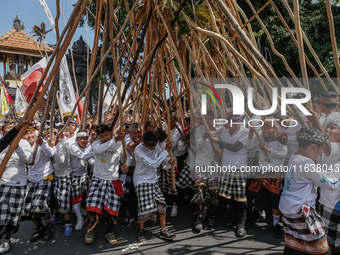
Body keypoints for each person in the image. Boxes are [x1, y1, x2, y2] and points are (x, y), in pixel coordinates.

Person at [279, 127, 340, 255]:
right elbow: (330, 184)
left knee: (294, 246)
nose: (321, 153)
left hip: (288, 208)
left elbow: (317, 174)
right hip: (301, 212)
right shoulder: (306, 163)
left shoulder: (295, 156)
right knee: (322, 249)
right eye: (321, 149)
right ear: (312, 147)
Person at [85, 124, 127, 245]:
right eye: (101, 136)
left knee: (112, 209)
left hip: (113, 180)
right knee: (93, 206)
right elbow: (98, 150)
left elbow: (126, 157)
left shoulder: (119, 144)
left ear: (111, 133)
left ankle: (109, 232)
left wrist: (125, 165)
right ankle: (90, 230)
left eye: (107, 135)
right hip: (98, 179)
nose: (104, 138)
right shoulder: (96, 144)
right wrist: (115, 139)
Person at [247, 117, 287, 239]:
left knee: (274, 198)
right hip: (262, 170)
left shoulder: (281, 136)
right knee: (252, 192)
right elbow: (249, 146)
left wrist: (269, 150)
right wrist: (251, 132)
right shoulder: (259, 133)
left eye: (268, 127)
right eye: (264, 126)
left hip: (275, 171)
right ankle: (257, 214)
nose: (265, 130)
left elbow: (284, 154)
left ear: (275, 127)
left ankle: (275, 224)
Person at [134, 131, 176, 243]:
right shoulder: (138, 150)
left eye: (154, 145)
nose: (153, 148)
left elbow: (160, 153)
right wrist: (166, 151)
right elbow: (154, 164)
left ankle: (163, 230)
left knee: (161, 202)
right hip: (141, 180)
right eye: (150, 146)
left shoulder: (155, 146)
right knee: (143, 207)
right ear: (144, 142)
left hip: (153, 179)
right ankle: (141, 230)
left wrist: (169, 160)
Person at [211, 115, 249, 238]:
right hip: (226, 168)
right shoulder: (223, 132)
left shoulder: (245, 131)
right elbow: (220, 145)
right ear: (227, 123)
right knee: (228, 197)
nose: (234, 127)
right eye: (232, 124)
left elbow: (235, 147)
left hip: (239, 168)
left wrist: (219, 142)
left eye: (236, 125)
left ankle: (241, 224)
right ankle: (230, 218)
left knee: (240, 198)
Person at [0, 123, 33, 253]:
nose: (11, 134)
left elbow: (29, 159)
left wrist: (17, 147)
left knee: (13, 217)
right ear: (3, 133)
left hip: (18, 184)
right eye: (8, 131)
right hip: (2, 184)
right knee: (2, 214)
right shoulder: (1, 144)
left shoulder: (24, 143)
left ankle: (6, 238)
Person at [21, 126, 56, 242]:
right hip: (31, 179)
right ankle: (39, 228)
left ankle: (49, 227)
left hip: (44, 177)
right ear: (22, 136)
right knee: (27, 207)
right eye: (26, 134)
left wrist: (42, 144)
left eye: (31, 132)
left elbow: (51, 153)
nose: (30, 135)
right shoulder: (22, 146)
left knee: (40, 204)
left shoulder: (42, 142)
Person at [192, 110, 223, 230]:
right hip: (201, 163)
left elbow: (222, 146)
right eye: (204, 118)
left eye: (209, 118)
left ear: (213, 119)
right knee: (200, 190)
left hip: (214, 164)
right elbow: (198, 147)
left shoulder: (220, 130)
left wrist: (220, 154)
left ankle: (210, 215)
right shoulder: (198, 130)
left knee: (214, 192)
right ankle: (199, 217)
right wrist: (204, 138)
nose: (207, 121)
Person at [319, 115, 340, 253]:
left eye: (332, 127)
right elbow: (326, 146)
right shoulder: (332, 148)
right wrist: (315, 122)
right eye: (326, 126)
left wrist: (316, 122)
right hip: (332, 203)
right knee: (329, 239)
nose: (327, 130)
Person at [69, 130, 94, 231]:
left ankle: (88, 215)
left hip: (86, 175)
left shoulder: (89, 146)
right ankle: (79, 218)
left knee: (88, 196)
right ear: (77, 139)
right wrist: (97, 151)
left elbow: (90, 160)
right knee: (76, 199)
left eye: (86, 138)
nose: (85, 141)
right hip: (75, 176)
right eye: (82, 138)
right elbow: (83, 157)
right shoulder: (73, 146)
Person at [50, 130, 73, 236]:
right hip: (54, 176)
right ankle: (57, 217)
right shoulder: (47, 145)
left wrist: (53, 148)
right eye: (46, 137)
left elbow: (61, 160)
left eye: (50, 136)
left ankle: (68, 223)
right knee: (53, 199)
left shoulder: (62, 145)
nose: (48, 139)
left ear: (56, 136)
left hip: (64, 176)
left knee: (64, 200)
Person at [120, 123, 142, 227]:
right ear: (129, 133)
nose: (136, 134)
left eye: (139, 132)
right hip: (127, 172)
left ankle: (140, 215)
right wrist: (142, 139)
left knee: (138, 195)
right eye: (133, 132)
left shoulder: (144, 139)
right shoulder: (126, 139)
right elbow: (132, 147)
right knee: (125, 196)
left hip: (140, 172)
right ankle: (128, 216)